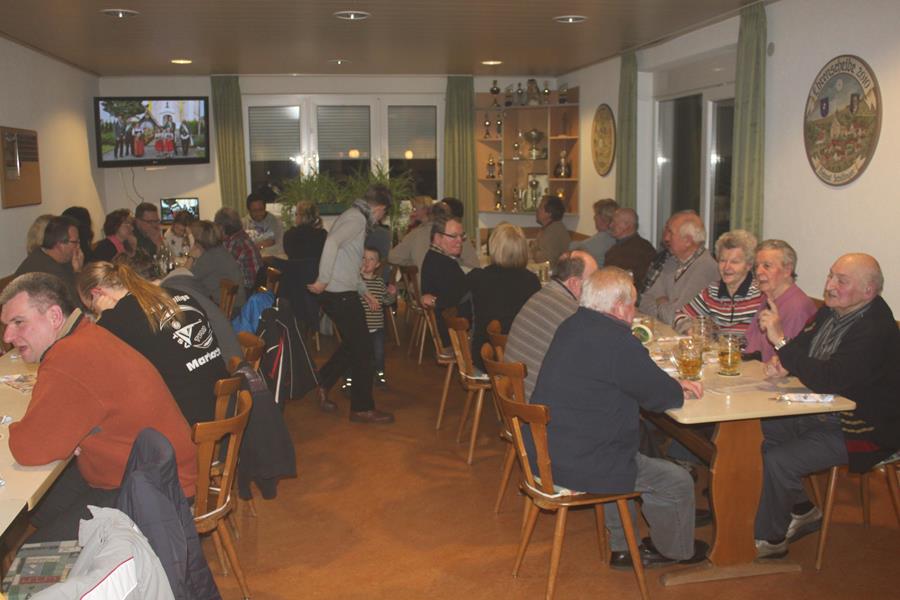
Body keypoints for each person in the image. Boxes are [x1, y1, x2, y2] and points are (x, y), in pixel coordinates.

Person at [527, 267, 707, 568]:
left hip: (547, 452)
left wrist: (663, 382)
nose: (634, 312)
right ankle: (674, 551)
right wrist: (678, 387)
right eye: (633, 305)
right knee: (675, 481)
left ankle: (623, 547)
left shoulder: (572, 325)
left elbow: (629, 379)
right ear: (620, 306)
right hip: (581, 462)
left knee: (624, 451)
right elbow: (662, 397)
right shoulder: (616, 341)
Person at [1, 272, 197, 543]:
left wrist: (25, 429)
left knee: (34, 551)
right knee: (41, 507)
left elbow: (29, 448)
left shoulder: (68, 358)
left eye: (18, 322)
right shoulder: (88, 334)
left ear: (55, 317)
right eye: (6, 325)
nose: (8, 336)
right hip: (159, 473)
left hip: (155, 494)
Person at [753, 253, 900, 559]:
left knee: (780, 459)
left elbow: (829, 379)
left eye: (841, 281)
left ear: (868, 291)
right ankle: (802, 508)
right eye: (831, 276)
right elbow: (803, 347)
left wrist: (780, 342)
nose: (830, 285)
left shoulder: (876, 329)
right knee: (760, 431)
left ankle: (771, 540)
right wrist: (783, 363)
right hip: (824, 411)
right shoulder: (830, 312)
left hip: (862, 426)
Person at [77, 260, 228, 425]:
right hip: (225, 404)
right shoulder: (176, 293)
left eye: (92, 308)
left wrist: (103, 317)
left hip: (188, 421)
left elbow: (92, 367)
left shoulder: (115, 319)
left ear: (97, 293)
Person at [308, 184, 394, 424]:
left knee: (353, 345)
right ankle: (362, 408)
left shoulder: (353, 215)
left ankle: (322, 382)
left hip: (342, 292)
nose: (381, 218)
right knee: (364, 350)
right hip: (339, 294)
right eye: (383, 213)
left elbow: (348, 261)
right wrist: (323, 279)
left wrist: (364, 292)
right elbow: (331, 243)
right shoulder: (357, 219)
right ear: (378, 208)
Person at [505, 250, 598, 402]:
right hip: (535, 404)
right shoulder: (571, 312)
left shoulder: (543, 295)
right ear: (575, 283)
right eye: (593, 282)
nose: (597, 288)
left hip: (515, 393)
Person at [467, 223, 541, 371]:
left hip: (486, 357)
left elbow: (465, 314)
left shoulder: (478, 277)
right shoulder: (532, 282)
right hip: (522, 361)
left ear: (493, 248)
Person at [673, 229, 762, 338]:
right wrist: (690, 329)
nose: (726, 267)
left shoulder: (760, 294)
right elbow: (679, 315)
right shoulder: (711, 291)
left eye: (734, 262)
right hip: (718, 349)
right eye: (722, 260)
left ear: (748, 265)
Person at [638, 210, 718, 325]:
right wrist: (668, 305)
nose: (666, 238)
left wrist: (660, 302)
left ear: (688, 241)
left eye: (671, 233)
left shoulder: (706, 267)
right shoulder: (672, 261)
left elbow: (676, 317)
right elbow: (644, 302)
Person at [744, 239, 817, 362]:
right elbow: (751, 344)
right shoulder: (768, 297)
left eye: (767, 266)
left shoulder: (797, 307)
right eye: (757, 266)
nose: (758, 272)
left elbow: (788, 360)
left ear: (787, 270)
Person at [388, 198, 480, 285]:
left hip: (422, 289)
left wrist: (415, 262)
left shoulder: (415, 234)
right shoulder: (457, 235)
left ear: (429, 215)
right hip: (449, 289)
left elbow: (392, 257)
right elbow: (474, 266)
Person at [420, 214, 472, 348]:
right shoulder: (443, 264)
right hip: (457, 335)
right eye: (454, 236)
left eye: (461, 236)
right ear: (438, 238)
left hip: (452, 330)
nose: (460, 241)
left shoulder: (434, 257)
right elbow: (453, 298)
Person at [15, 215, 84, 303]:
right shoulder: (47, 271)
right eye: (75, 242)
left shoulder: (52, 257)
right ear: (60, 244)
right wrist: (78, 272)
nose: (78, 246)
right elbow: (77, 303)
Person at [187, 220, 246, 310]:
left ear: (198, 240)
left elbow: (185, 277)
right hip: (234, 304)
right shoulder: (218, 249)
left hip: (227, 309)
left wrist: (191, 257)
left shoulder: (209, 256)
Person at [359, 247, 395, 387]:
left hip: (377, 327)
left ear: (377, 264)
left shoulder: (379, 282)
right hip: (359, 327)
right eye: (363, 258)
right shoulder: (355, 282)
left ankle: (380, 376)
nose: (366, 262)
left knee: (379, 354)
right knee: (355, 354)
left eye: (371, 259)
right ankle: (349, 380)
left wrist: (391, 294)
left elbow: (386, 301)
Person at [215, 207, 263, 293]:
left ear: (221, 228)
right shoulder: (238, 237)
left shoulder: (237, 243)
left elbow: (224, 271)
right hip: (248, 288)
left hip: (247, 291)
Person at [603, 208, 657, 285]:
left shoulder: (637, 251)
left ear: (628, 226)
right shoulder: (642, 245)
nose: (610, 225)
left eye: (614, 222)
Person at [569, 198, 618, 267]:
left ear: (603, 218)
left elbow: (574, 250)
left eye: (596, 214)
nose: (594, 217)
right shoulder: (615, 235)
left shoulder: (604, 237)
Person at [530, 195, 570, 271]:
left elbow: (546, 263)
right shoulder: (549, 227)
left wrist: (534, 250)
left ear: (549, 213)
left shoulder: (554, 231)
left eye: (540, 207)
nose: (537, 210)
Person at [243, 191, 284, 257]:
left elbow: (281, 247)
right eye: (254, 211)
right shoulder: (243, 224)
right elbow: (242, 249)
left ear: (265, 208)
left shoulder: (276, 222)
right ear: (249, 210)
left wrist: (260, 247)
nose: (258, 213)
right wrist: (263, 245)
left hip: (271, 259)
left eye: (261, 209)